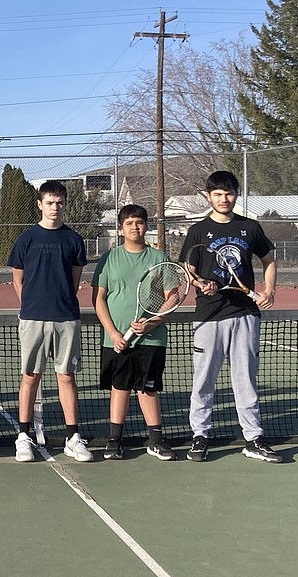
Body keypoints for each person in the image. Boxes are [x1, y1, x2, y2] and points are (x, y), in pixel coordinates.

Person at [179, 170, 282, 463]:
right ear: (208, 196)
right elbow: (189, 269)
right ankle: (200, 437)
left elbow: (269, 260)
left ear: (236, 194)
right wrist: (202, 285)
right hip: (209, 316)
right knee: (203, 380)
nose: (224, 199)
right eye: (218, 194)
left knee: (245, 380)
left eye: (229, 193)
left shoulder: (249, 227)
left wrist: (269, 290)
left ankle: (253, 439)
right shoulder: (198, 231)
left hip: (245, 314)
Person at [8, 180, 92, 462]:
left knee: (66, 376)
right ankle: (23, 436)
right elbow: (18, 280)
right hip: (33, 318)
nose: (55, 207)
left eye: (60, 203)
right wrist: (32, 305)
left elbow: (75, 279)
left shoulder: (73, 240)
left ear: (64, 205)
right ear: (40, 204)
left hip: (66, 317)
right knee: (30, 376)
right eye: (50, 202)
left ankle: (72, 437)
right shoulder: (26, 239)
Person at [91, 204, 177, 461]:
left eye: (139, 222)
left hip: (151, 338)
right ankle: (114, 442)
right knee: (120, 388)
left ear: (146, 226)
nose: (134, 227)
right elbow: (98, 299)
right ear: (120, 228)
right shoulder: (109, 258)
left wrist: (152, 323)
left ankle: (156, 442)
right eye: (128, 223)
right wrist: (114, 333)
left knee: (148, 389)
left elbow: (172, 296)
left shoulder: (159, 258)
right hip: (116, 340)